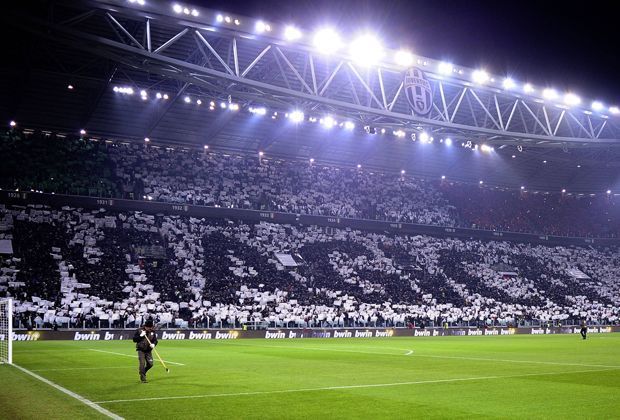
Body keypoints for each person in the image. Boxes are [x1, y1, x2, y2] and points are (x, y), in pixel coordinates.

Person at [133, 318, 158, 383]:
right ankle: (143, 378)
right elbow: (134, 340)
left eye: (151, 327)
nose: (150, 329)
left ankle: (143, 371)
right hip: (141, 350)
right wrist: (141, 336)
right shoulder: (139, 330)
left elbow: (155, 340)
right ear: (145, 326)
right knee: (142, 364)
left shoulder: (152, 332)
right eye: (148, 327)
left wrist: (154, 344)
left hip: (148, 351)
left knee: (150, 364)